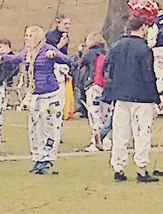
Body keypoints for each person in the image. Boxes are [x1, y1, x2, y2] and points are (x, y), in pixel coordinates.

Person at [104, 13, 160, 182]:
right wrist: (156, 98)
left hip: (121, 96)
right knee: (142, 133)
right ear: (143, 27)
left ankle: (118, 167)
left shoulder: (116, 46)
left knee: (120, 133)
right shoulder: (144, 49)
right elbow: (148, 75)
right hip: (141, 97)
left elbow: (108, 70)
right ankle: (141, 168)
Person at [23, 24, 77, 175]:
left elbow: (67, 60)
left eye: (30, 36)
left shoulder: (47, 49)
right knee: (34, 128)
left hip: (51, 95)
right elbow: (14, 59)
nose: (26, 39)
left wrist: (55, 56)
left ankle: (48, 157)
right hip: (35, 95)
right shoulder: (28, 53)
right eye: (26, 36)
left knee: (50, 126)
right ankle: (38, 156)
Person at [77, 33, 108, 152]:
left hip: (93, 85)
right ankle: (105, 139)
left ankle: (96, 141)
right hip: (105, 87)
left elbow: (79, 64)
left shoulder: (90, 53)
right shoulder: (106, 52)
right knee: (104, 115)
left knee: (94, 115)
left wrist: (80, 52)